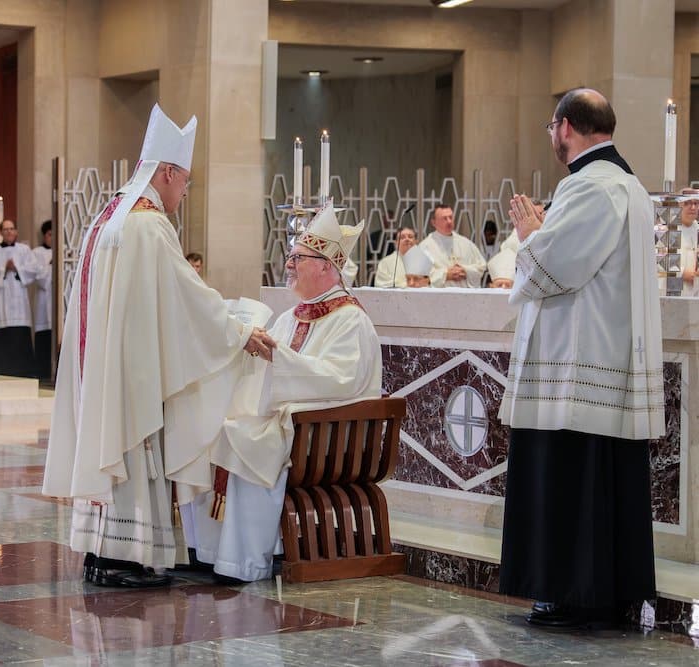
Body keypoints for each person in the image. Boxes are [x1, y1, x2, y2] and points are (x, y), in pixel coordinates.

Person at [42, 103, 276, 588]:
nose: (185, 193)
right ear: (166, 172)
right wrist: (239, 332)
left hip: (101, 364)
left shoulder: (105, 218)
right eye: (185, 182)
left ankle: (97, 551)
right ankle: (123, 558)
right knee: (130, 447)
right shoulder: (148, 226)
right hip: (130, 370)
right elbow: (186, 297)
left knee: (109, 444)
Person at [498, 88, 664, 629]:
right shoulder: (630, 188)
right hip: (606, 358)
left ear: (566, 127)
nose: (551, 136)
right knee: (605, 481)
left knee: (569, 477)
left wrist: (529, 236)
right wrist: (546, 233)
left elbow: (555, 267)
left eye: (551, 126)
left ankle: (568, 592)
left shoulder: (589, 185)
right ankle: (610, 591)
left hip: (575, 367)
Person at [182, 203, 382, 583]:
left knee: (244, 443)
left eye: (298, 258)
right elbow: (268, 368)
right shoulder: (293, 315)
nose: (289, 265)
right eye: (290, 256)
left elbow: (340, 381)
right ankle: (209, 552)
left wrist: (278, 356)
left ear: (326, 266)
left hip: (324, 434)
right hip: (288, 421)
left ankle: (244, 562)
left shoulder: (351, 320)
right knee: (209, 429)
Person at [0, 219, 46, 377]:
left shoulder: (24, 250)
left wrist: (17, 268)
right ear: (0, 232)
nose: (9, 232)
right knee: (0, 331)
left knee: (18, 332)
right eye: (5, 229)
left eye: (12, 229)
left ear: (16, 232)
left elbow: (34, 269)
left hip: (18, 297)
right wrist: (3, 269)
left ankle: (21, 369)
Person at [418, 204, 486, 288]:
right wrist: (446, 275)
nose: (449, 221)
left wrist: (465, 271)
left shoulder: (466, 244)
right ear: (433, 222)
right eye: (444, 218)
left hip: (466, 296)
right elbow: (421, 277)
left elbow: (481, 267)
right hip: (439, 298)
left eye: (450, 217)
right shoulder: (425, 247)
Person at [31, 221, 53, 379]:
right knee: (45, 336)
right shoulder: (37, 253)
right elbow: (39, 277)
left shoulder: (66, 250)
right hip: (44, 300)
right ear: (44, 236)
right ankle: (43, 371)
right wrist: (51, 265)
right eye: (50, 234)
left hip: (61, 301)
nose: (52, 238)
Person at [678, 188, 699, 297]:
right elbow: (655, 260)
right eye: (688, 203)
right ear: (679, 205)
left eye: (696, 203)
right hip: (672, 290)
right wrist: (681, 273)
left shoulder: (698, 229)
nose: (693, 207)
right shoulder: (666, 229)